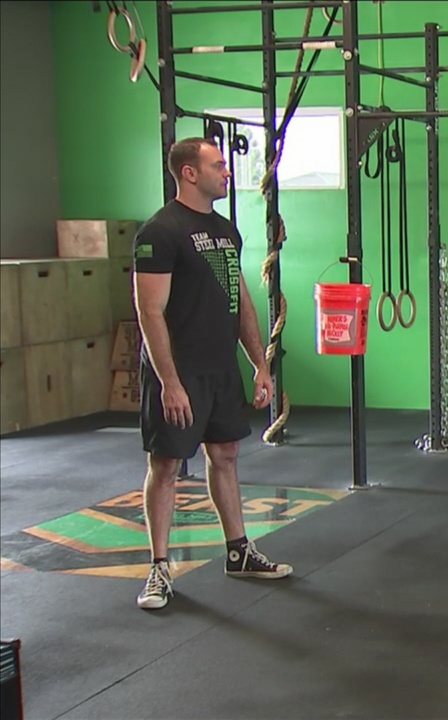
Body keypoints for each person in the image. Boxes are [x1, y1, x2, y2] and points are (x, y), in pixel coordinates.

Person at [132, 137, 293, 610]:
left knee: (225, 455)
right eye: (218, 165)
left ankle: (238, 551)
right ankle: (159, 568)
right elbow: (149, 312)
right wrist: (169, 382)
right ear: (190, 173)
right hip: (178, 372)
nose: (227, 171)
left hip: (220, 367)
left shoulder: (225, 230)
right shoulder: (159, 233)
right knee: (165, 466)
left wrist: (259, 363)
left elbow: (238, 296)